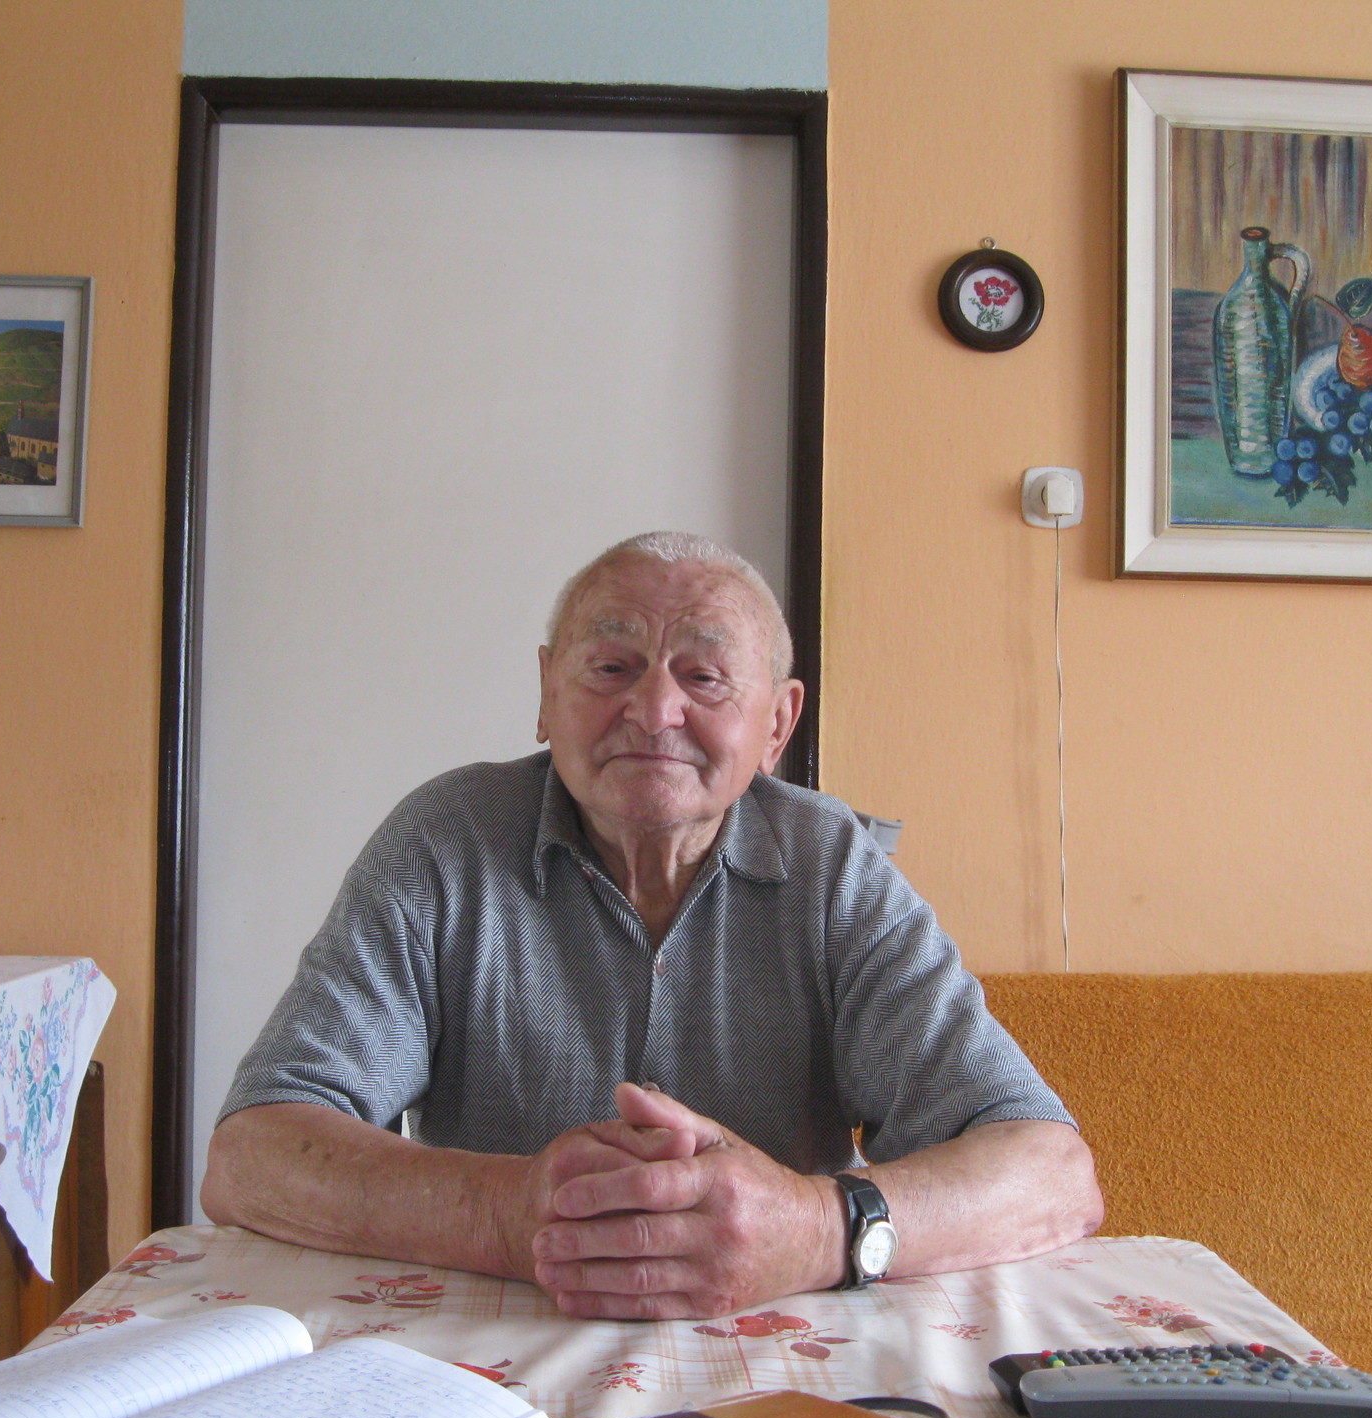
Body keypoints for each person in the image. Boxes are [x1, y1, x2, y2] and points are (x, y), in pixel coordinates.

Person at [202, 532, 1102, 1320]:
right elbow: (252, 1157)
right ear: (547, 692)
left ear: (777, 722)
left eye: (703, 677)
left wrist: (812, 1230)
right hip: (488, 1355)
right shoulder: (443, 845)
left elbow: (1052, 1175)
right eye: (611, 668)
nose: (653, 709)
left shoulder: (832, 869)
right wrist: (512, 1213)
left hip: (783, 1358)